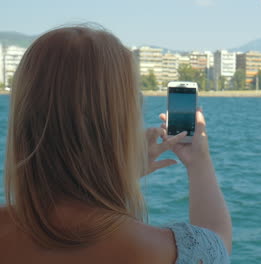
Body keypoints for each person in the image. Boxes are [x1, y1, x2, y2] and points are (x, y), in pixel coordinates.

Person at [0, 25, 232, 264]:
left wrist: (113, 171)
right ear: (122, 123)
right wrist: (199, 161)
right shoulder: (167, 252)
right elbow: (218, 246)